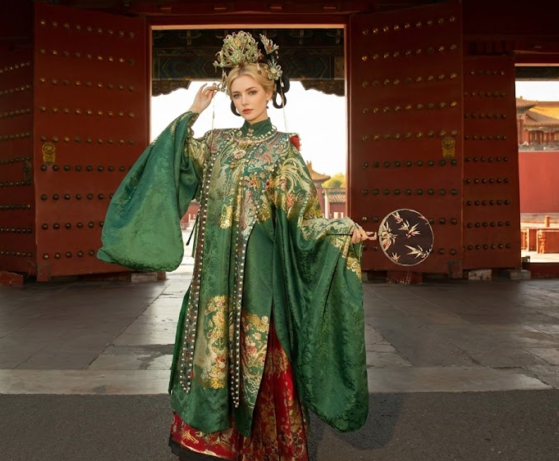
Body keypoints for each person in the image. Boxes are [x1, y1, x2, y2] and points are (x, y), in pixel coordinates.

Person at [99, 31, 376, 461]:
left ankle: (262, 447)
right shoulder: (216, 144)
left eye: (252, 92)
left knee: (259, 359)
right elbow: (166, 164)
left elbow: (301, 219)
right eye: (236, 94)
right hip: (213, 277)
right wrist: (191, 114)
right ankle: (210, 443)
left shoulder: (284, 151)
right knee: (212, 351)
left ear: (270, 93)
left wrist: (339, 232)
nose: (244, 101)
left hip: (260, 280)